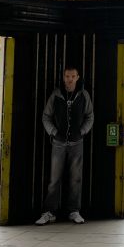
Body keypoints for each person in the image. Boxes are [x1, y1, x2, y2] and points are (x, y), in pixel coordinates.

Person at [35, 66, 94, 225]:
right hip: (58, 143)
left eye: (73, 76)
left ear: (77, 77)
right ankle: (49, 212)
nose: (70, 79)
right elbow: (46, 116)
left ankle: (74, 211)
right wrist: (53, 132)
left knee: (76, 178)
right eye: (67, 76)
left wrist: (82, 131)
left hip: (77, 142)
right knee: (54, 179)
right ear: (63, 77)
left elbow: (90, 116)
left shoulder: (83, 95)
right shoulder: (56, 95)